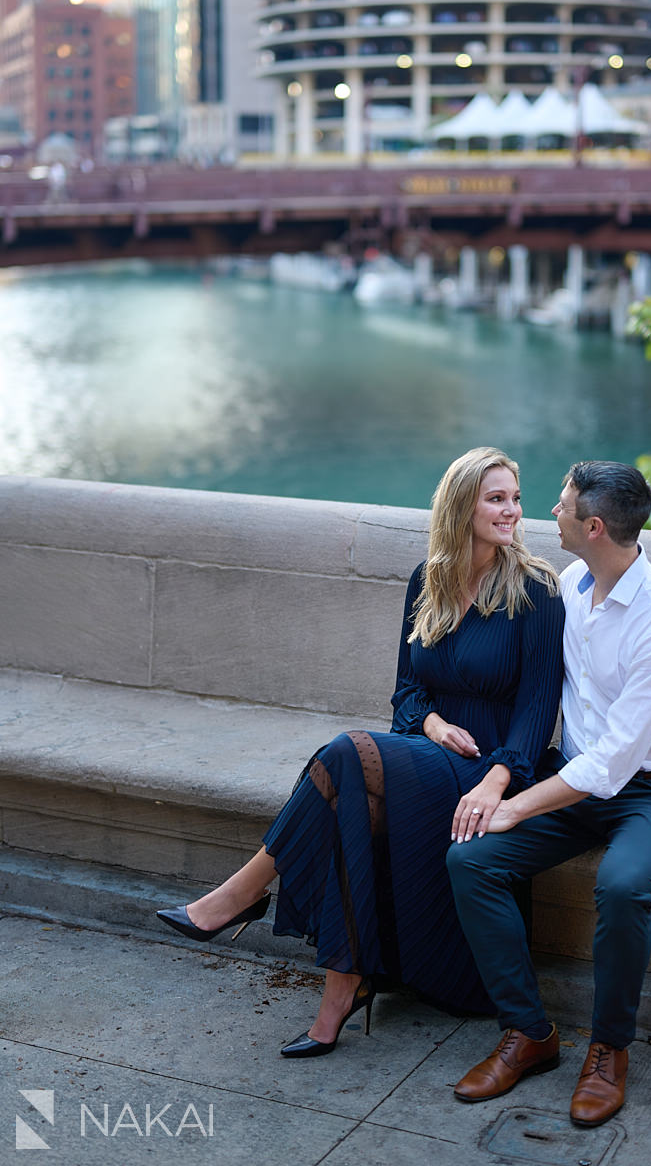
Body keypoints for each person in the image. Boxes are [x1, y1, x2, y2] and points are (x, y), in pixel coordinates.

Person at [157, 447, 564, 1056]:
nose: (512, 511)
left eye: (515, 497)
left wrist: (496, 779)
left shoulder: (536, 590)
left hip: (492, 769)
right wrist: (428, 724)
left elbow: (539, 709)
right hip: (428, 755)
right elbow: (406, 690)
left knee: (344, 752)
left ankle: (239, 898)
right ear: (461, 507)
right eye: (496, 498)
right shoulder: (428, 579)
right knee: (350, 798)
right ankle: (338, 991)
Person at [447, 460, 651, 1126]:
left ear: (592, 526)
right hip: (575, 782)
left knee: (621, 888)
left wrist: (514, 806)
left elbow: (616, 760)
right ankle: (527, 1033)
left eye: (560, 508)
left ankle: (608, 1051)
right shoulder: (568, 583)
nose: (549, 515)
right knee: (471, 859)